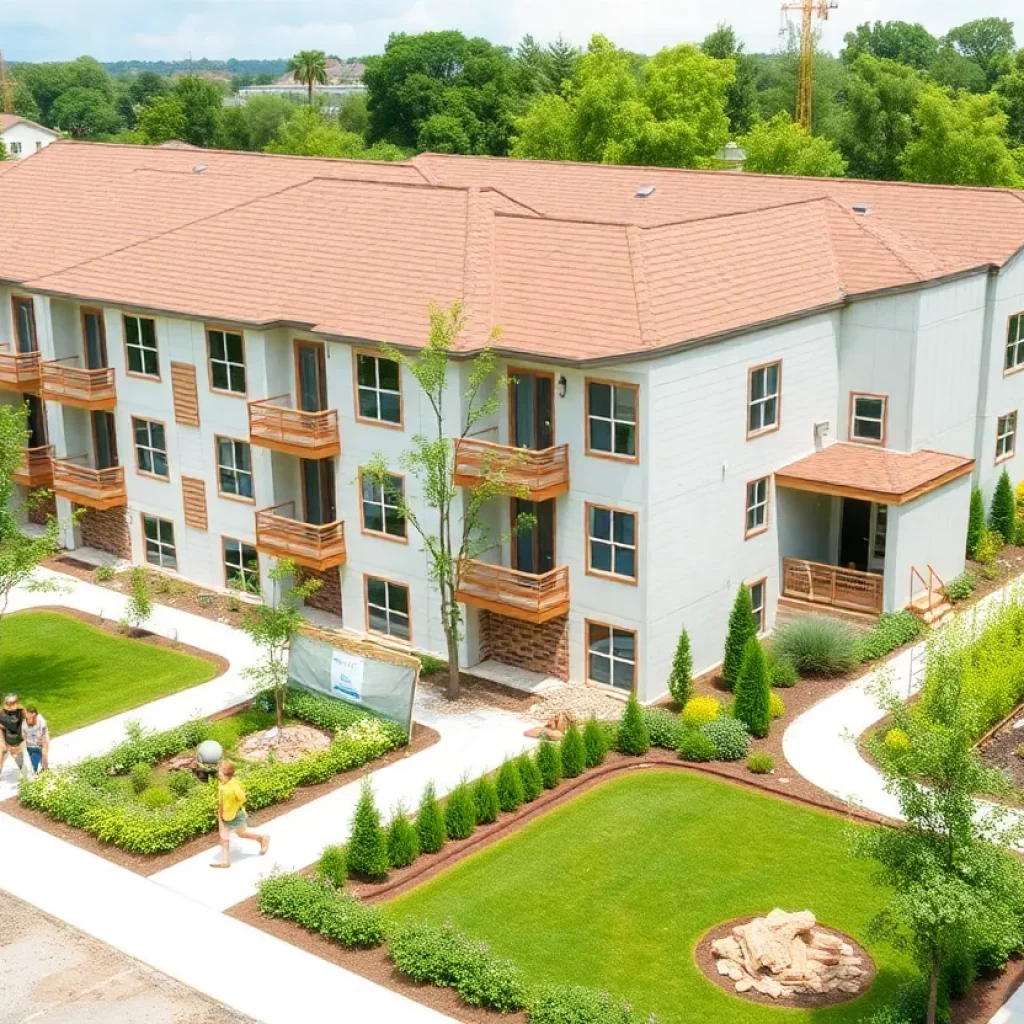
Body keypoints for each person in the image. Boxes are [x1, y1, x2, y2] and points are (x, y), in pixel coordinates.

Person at [212, 760, 268, 868]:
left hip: (234, 815)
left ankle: (262, 838)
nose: (218, 774)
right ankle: (226, 861)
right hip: (227, 815)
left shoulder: (232, 786)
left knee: (231, 836)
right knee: (231, 836)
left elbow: (242, 798)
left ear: (225, 774)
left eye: (219, 771)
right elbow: (221, 801)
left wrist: (233, 806)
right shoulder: (223, 784)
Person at [0, 695, 26, 778]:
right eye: (8, 703)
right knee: (2, 752)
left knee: (18, 753)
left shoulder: (21, 712)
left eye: (13, 703)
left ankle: (22, 769)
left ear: (17, 703)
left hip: (17, 736)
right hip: (4, 735)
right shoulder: (2, 713)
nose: (10, 705)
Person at [22, 706, 49, 775]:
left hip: (41, 740)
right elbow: (23, 732)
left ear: (34, 714)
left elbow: (42, 733)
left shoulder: (41, 721)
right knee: (33, 756)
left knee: (42, 755)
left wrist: (42, 744)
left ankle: (44, 769)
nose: (27, 715)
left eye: (28, 714)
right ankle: (36, 769)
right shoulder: (25, 721)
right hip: (30, 743)